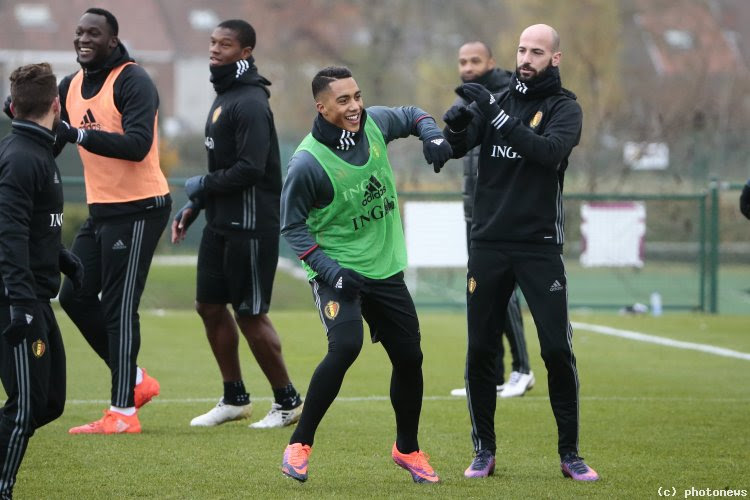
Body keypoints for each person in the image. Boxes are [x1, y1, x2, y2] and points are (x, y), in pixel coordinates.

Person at [278, 66, 452, 483]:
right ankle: (299, 444)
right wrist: (332, 272)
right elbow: (292, 227)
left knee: (410, 358)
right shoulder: (307, 164)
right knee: (346, 347)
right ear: (321, 108)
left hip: (385, 269)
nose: (355, 106)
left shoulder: (373, 123)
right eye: (343, 100)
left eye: (357, 96)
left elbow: (412, 114)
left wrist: (433, 134)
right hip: (338, 272)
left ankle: (407, 449)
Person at [442, 24, 599, 481]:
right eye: (522, 50)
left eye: (537, 51)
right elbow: (455, 147)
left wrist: (495, 115)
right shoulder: (497, 102)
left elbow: (547, 153)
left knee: (555, 349)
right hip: (488, 243)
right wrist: (451, 126)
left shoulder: (564, 107)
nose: (527, 58)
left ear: (555, 58)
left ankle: (570, 454)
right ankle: (483, 451)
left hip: (539, 245)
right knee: (479, 351)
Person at [173, 19, 303, 428]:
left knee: (250, 314)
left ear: (245, 51)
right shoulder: (226, 95)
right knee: (209, 306)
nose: (214, 49)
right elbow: (225, 167)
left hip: (250, 226)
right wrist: (196, 204)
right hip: (220, 222)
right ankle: (234, 398)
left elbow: (250, 168)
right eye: (212, 42)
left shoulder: (249, 101)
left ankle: (287, 402)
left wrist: (201, 183)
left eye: (224, 44)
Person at [55, 8, 171, 434]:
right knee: (75, 297)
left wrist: (78, 135)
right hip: (102, 210)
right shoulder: (69, 86)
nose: (84, 39)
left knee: (120, 307)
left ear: (112, 39)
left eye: (94, 33)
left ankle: (122, 413)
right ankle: (136, 381)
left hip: (141, 207)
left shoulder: (132, 79)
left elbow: (138, 145)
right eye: (79, 31)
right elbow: (47, 126)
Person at [0, 63, 83, 498]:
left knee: (49, 402)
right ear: (56, 104)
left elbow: (34, 227)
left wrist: (63, 258)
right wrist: (18, 302)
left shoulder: (38, 152)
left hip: (34, 294)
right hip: (17, 299)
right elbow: (8, 232)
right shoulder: (20, 157)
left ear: (14, 105)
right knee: (26, 405)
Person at [448, 40, 534, 399]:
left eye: (474, 60)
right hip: (476, 208)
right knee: (482, 292)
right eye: (462, 61)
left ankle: (522, 369)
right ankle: (493, 376)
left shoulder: (505, 95)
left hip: (502, 210)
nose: (467, 67)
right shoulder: (465, 99)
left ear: (492, 62)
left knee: (503, 291)